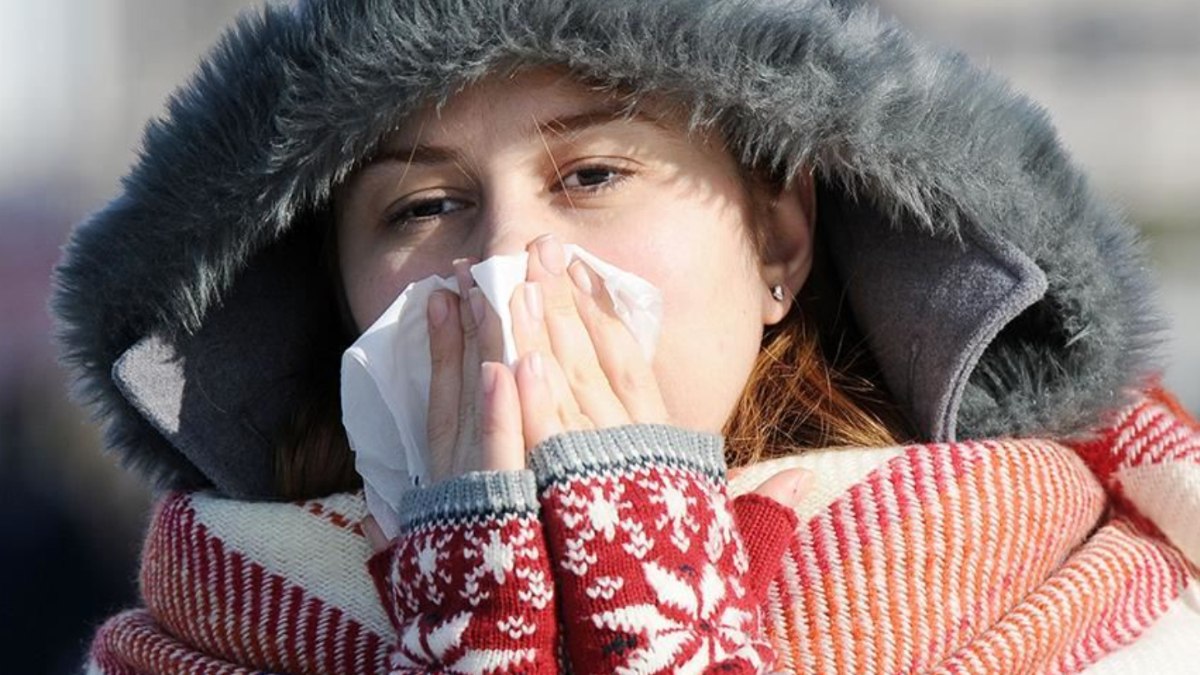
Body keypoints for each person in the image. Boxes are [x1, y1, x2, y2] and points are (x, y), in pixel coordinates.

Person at [54, 1, 1199, 673]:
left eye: (592, 174)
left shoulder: (1099, 614)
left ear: (778, 241)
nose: (508, 260)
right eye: (421, 207)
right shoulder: (204, 633)